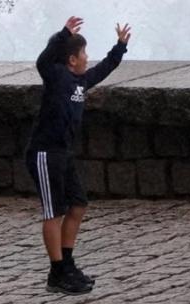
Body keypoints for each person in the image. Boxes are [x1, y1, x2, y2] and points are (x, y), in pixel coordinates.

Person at [27, 15, 131, 295]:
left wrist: (120, 46)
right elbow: (43, 61)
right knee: (53, 212)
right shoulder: (56, 76)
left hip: (64, 153)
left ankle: (68, 263)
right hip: (45, 153)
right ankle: (57, 272)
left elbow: (106, 68)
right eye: (84, 53)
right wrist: (63, 34)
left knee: (78, 205)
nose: (87, 57)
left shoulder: (80, 81)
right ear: (71, 59)